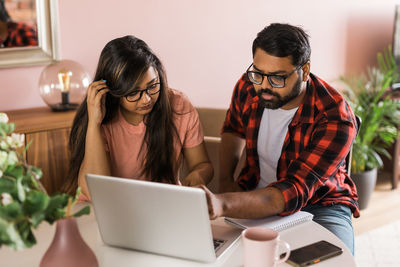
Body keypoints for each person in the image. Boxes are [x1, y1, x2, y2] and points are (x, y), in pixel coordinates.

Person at [200, 23, 359, 254]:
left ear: (304, 70)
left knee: (333, 259)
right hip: (254, 192)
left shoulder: (335, 116)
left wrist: (223, 203)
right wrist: (225, 181)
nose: (264, 86)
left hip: (322, 205)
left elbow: (292, 190)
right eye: (259, 73)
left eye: (277, 78)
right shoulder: (249, 85)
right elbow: (233, 129)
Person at [62, 35, 213, 200]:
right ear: (112, 91)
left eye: (153, 86)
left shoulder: (178, 106)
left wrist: (199, 174)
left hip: (159, 206)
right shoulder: (101, 117)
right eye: (133, 93)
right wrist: (94, 123)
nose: (146, 99)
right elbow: (97, 192)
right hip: (104, 208)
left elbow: (202, 164)